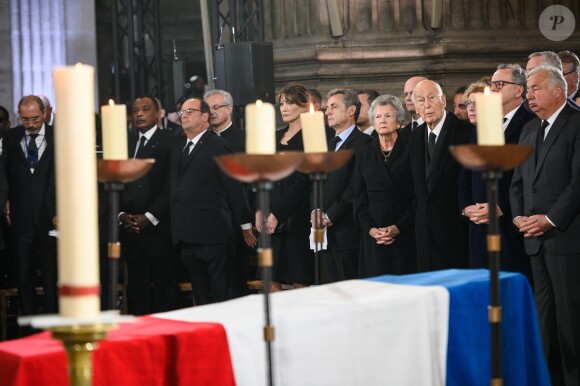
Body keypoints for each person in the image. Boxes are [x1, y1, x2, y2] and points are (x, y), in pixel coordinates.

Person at [510, 65, 580, 386]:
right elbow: (517, 183)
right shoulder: (529, 130)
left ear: (559, 89)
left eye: (536, 88)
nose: (530, 95)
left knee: (570, 321)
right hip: (533, 238)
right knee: (544, 319)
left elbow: (578, 184)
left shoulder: (577, 123)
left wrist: (549, 220)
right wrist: (518, 217)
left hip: (565, 238)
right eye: (528, 89)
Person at [169, 97, 253, 305]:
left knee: (222, 295)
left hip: (213, 234)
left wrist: (245, 224)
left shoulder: (218, 145)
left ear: (205, 117)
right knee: (201, 296)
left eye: (190, 111)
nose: (184, 115)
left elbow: (234, 187)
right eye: (182, 112)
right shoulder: (179, 146)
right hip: (186, 235)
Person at [458, 64, 535, 282]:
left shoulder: (530, 123)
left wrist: (501, 206)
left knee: (510, 289)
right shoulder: (484, 122)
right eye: (492, 84)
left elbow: (525, 176)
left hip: (509, 225)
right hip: (478, 223)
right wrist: (466, 207)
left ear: (519, 90)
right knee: (482, 290)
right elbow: (466, 171)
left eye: (499, 84)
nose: (492, 89)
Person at [119, 96, 178, 315]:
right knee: (137, 290)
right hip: (129, 228)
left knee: (164, 289)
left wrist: (150, 216)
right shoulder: (123, 142)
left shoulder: (171, 140)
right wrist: (122, 214)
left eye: (145, 109)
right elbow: (116, 182)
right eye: (135, 111)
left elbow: (171, 185)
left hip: (159, 228)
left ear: (158, 114)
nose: (139, 114)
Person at [3, 96, 57, 315]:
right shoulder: (10, 138)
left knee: (52, 275)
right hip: (20, 217)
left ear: (44, 113)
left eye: (35, 118)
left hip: (51, 217)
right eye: (25, 120)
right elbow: (3, 173)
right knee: (23, 277)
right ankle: (28, 329)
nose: (31, 124)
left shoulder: (58, 136)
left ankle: (54, 326)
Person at [409, 80, 471, 271]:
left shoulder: (465, 132)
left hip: (454, 229)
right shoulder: (415, 135)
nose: (426, 105)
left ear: (443, 100)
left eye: (431, 98)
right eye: (420, 100)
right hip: (423, 231)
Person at [313, 89, 372, 282]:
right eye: (327, 107)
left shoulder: (364, 143)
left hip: (348, 233)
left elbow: (356, 186)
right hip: (323, 234)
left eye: (334, 107)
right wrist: (315, 210)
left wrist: (330, 215)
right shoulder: (328, 144)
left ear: (350, 110)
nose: (327, 112)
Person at [257, 83, 313, 291]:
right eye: (282, 104)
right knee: (270, 277)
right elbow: (263, 174)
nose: (284, 108)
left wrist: (277, 213)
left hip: (297, 217)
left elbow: (302, 181)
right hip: (271, 215)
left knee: (300, 278)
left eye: (290, 103)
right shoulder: (274, 135)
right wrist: (260, 208)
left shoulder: (311, 135)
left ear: (304, 106)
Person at [353, 95, 416, 277]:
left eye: (388, 116)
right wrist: (371, 229)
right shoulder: (365, 153)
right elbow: (358, 196)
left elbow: (418, 195)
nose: (382, 121)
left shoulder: (411, 149)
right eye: (378, 117)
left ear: (398, 120)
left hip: (404, 230)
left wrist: (398, 228)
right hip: (373, 233)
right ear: (373, 121)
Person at [204, 89, 255, 297]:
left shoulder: (244, 138)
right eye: (208, 109)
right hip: (210, 221)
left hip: (237, 220)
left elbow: (246, 182)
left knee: (235, 280)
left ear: (230, 109)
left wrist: (246, 221)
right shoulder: (202, 141)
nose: (212, 112)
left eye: (217, 107)